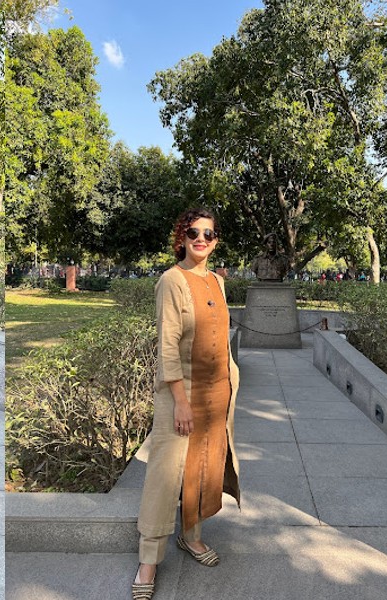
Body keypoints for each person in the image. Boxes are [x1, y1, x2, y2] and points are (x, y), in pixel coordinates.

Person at [132, 208, 240, 600]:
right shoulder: (171, 281)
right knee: (165, 476)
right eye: (193, 232)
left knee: (204, 467)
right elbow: (167, 346)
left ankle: (191, 537)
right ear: (182, 237)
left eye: (208, 234)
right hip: (182, 392)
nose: (201, 239)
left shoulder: (216, 281)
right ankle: (148, 560)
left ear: (216, 240)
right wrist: (179, 401)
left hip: (216, 393)